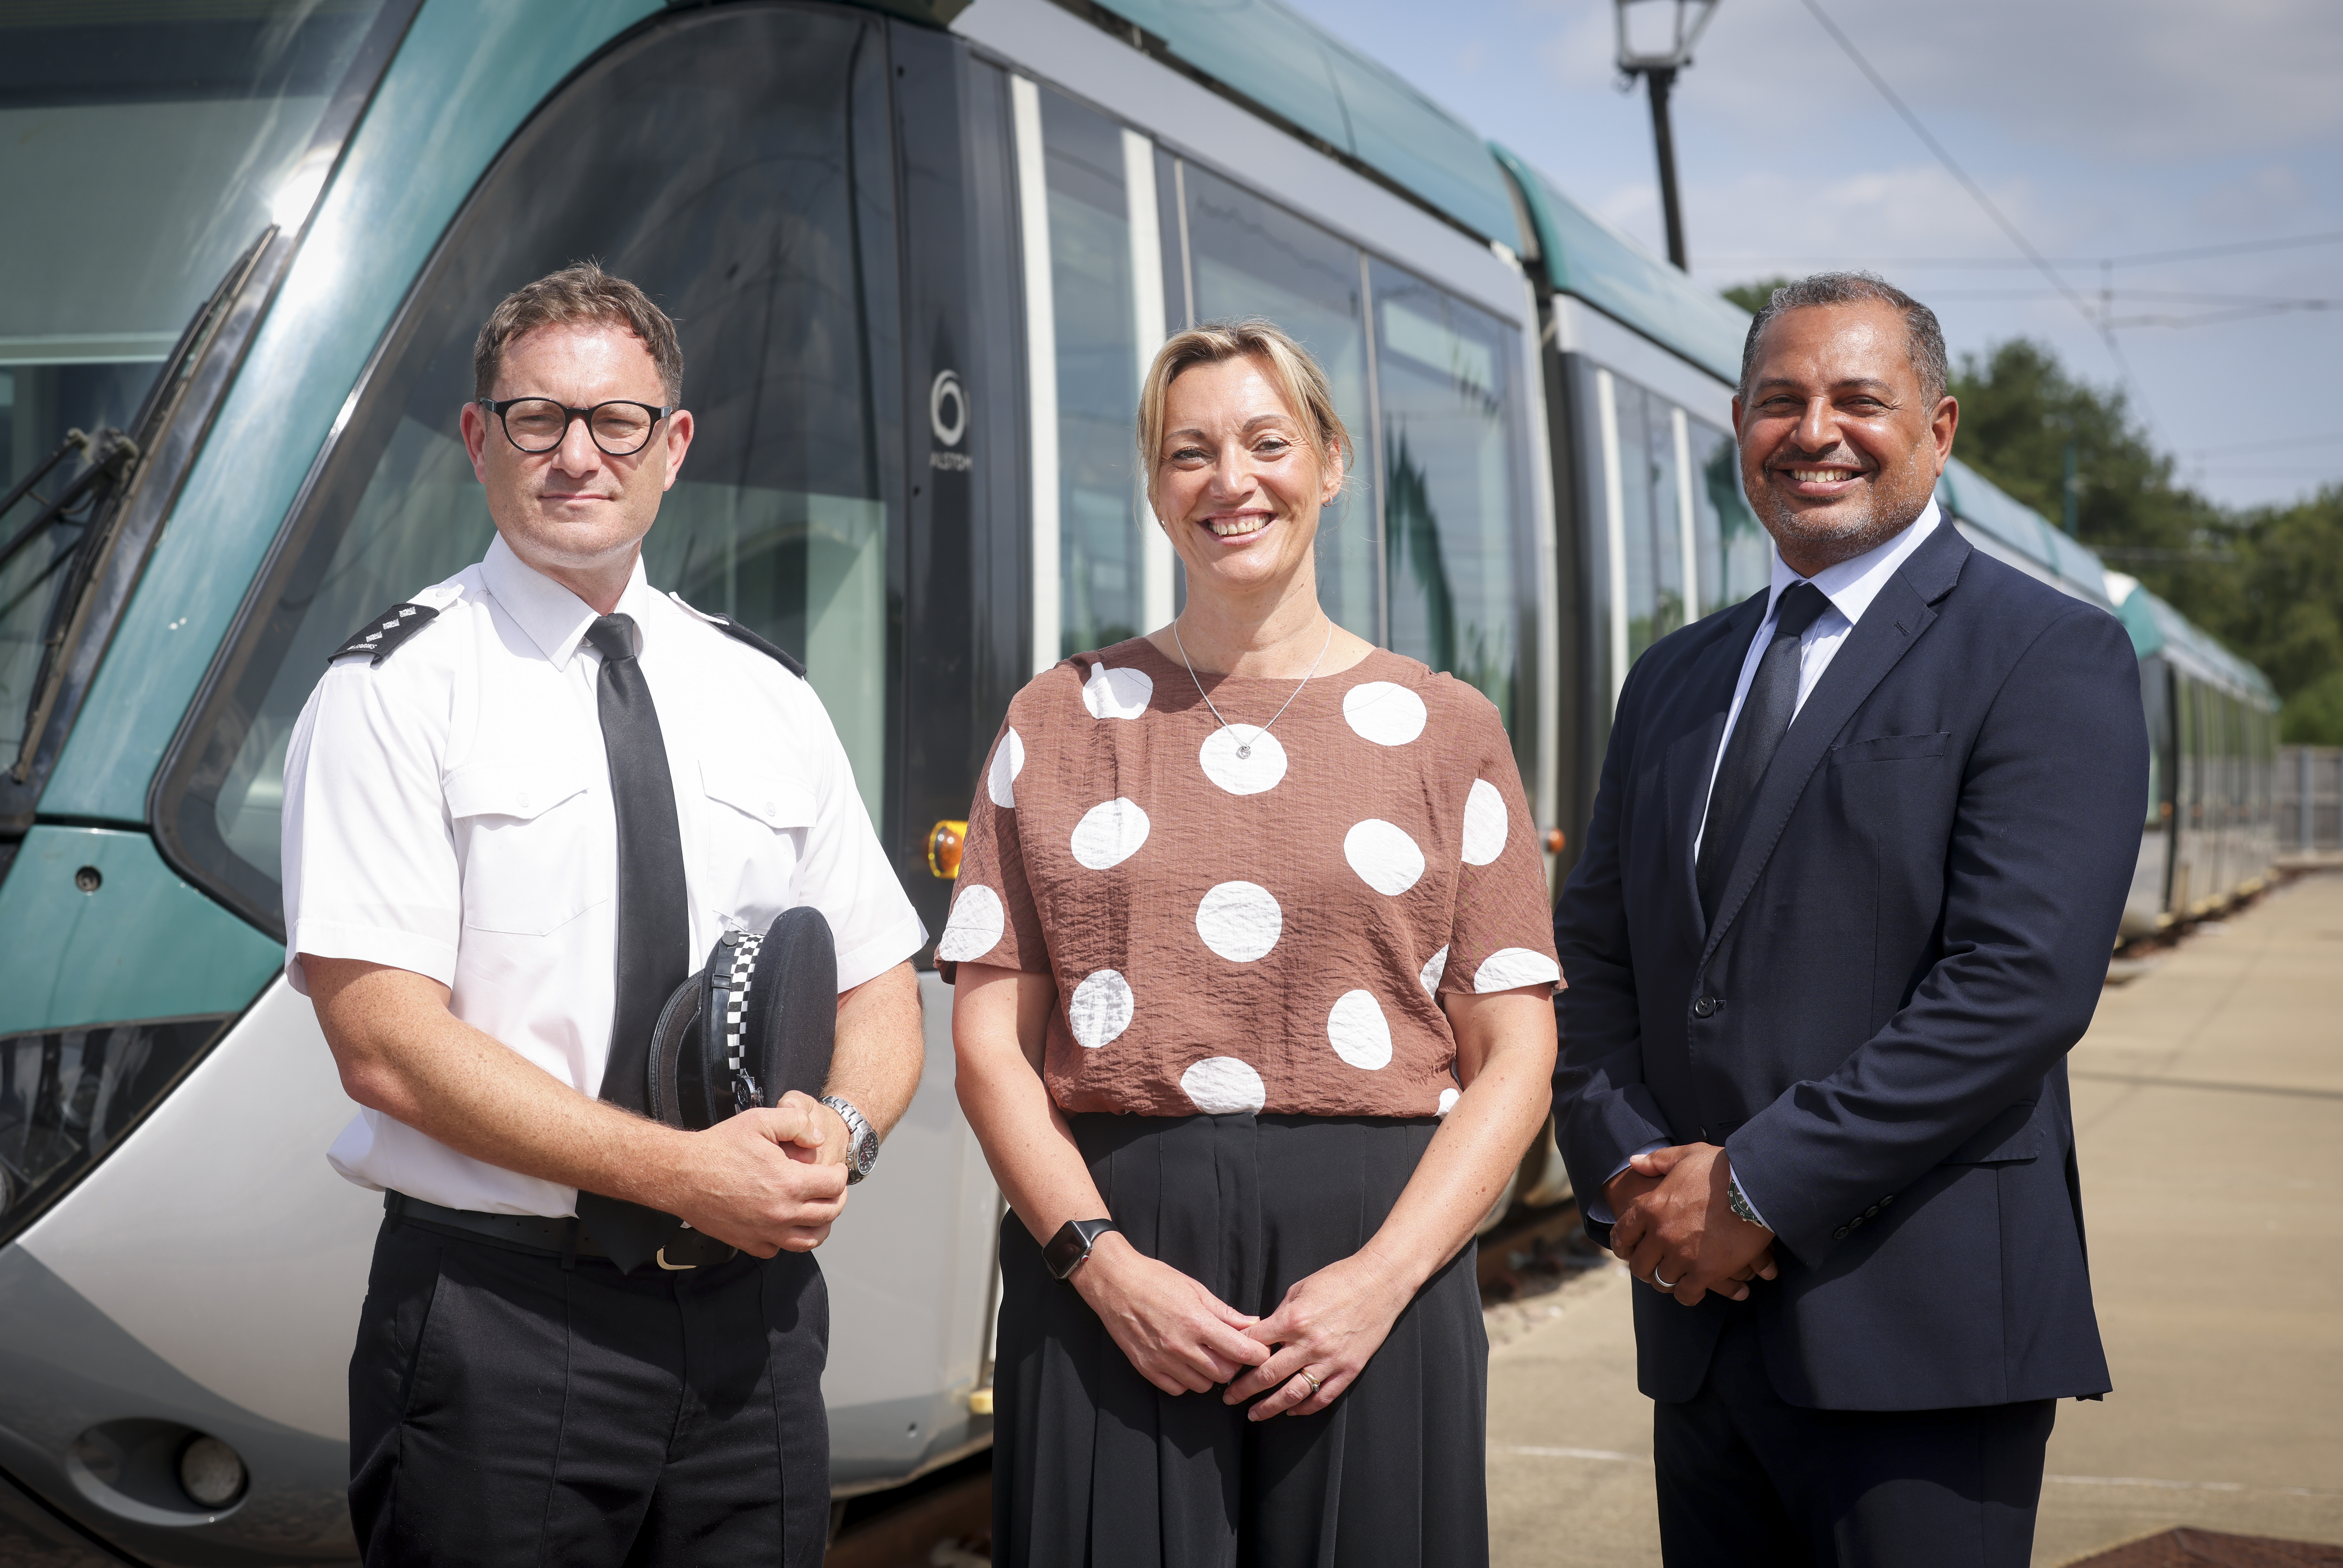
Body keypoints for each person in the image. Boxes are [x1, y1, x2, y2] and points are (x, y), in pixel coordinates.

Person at [282, 262, 927, 1566]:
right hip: (503, 1325)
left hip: (752, 1332)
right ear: (480, 440)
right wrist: (683, 1172)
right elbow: (384, 1041)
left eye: (616, 421)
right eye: (537, 419)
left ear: (672, 445)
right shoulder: (394, 692)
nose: (578, 453)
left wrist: (837, 1133)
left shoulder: (767, 695)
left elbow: (880, 985)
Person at [1552, 272, 2147, 1566]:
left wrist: (1755, 1185)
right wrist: (1631, 1177)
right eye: (1780, 400)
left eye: (1857, 400)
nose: (1813, 430)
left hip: (1918, 1332)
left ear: (1937, 429)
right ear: (1738, 426)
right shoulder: (1671, 679)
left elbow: (2016, 987)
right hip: (1700, 1331)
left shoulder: (2046, 653)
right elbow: (1593, 958)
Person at [944, 318, 1561, 1567]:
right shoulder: (1057, 721)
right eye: (1190, 453)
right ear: (1157, 484)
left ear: (1330, 462)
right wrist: (1100, 1264)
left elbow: (1515, 1052)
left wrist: (1381, 1280)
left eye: (1266, 442)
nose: (1231, 481)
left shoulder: (1448, 729)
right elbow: (990, 1044)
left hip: (1377, 1261)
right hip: (1113, 1256)